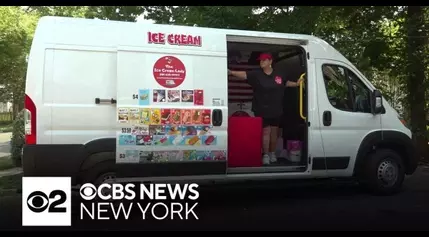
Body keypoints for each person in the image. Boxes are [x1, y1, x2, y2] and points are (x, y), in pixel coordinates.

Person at [228, 53, 303, 165]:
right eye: (260, 60)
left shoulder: (279, 74)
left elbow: (285, 83)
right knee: (265, 132)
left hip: (276, 108)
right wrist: (231, 72)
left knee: (274, 133)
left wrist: (297, 84)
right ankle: (265, 155)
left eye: (264, 60)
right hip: (261, 108)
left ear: (270, 61)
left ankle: (272, 153)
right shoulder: (257, 74)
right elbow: (244, 75)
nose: (261, 62)